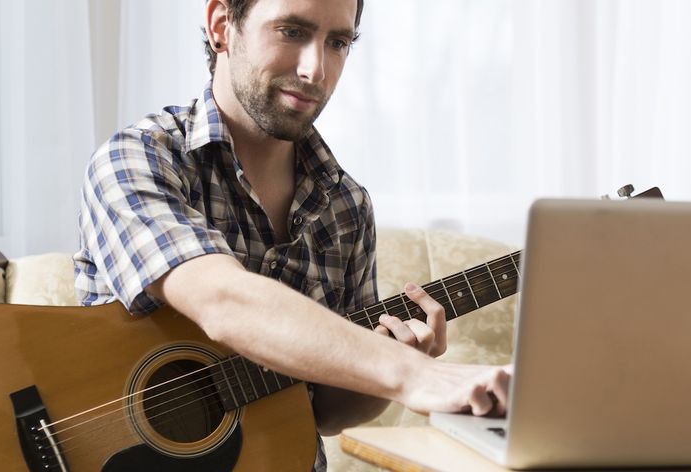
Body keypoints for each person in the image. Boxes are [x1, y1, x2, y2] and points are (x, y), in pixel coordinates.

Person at [74, 0, 511, 469]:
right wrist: (411, 373)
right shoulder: (137, 159)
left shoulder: (347, 205)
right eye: (291, 31)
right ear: (222, 26)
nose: (315, 69)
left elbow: (325, 412)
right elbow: (221, 300)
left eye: (338, 42)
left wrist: (385, 367)